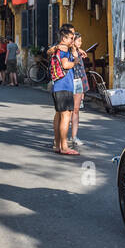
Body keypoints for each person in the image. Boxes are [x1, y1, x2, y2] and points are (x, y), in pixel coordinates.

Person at [50, 25, 79, 155]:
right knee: (66, 116)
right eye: (71, 38)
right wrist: (76, 62)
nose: (72, 41)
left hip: (58, 86)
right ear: (64, 38)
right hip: (64, 86)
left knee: (61, 115)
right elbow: (66, 64)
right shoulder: (63, 49)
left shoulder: (59, 48)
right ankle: (64, 147)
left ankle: (58, 145)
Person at [68, 31, 88, 147]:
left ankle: (74, 136)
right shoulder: (68, 53)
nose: (81, 42)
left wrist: (83, 89)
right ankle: (63, 135)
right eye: (79, 40)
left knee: (76, 110)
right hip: (69, 83)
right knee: (67, 111)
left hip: (78, 82)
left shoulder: (80, 54)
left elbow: (82, 71)